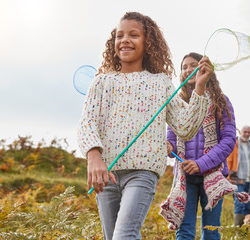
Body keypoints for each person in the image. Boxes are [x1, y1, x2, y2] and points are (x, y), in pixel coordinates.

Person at [77, 12, 214, 240]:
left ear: (147, 41)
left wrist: (199, 89)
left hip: (142, 173)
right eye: (120, 35)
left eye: (133, 35)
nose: (125, 40)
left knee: (124, 235)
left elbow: (186, 127)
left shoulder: (160, 83)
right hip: (106, 175)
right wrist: (94, 156)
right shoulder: (101, 82)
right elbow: (86, 124)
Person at [165, 52, 236, 240]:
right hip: (184, 177)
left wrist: (201, 163)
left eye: (193, 65)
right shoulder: (177, 104)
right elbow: (172, 138)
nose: (188, 69)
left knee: (211, 232)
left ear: (204, 69)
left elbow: (229, 140)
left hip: (213, 174)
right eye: (184, 67)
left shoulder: (221, 102)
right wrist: (168, 146)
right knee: (184, 230)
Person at [227, 126, 250, 226]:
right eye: (245, 132)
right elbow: (229, 161)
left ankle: (248, 229)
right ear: (241, 133)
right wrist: (227, 178)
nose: (247, 134)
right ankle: (237, 229)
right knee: (239, 205)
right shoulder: (235, 144)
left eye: (249, 132)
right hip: (238, 180)